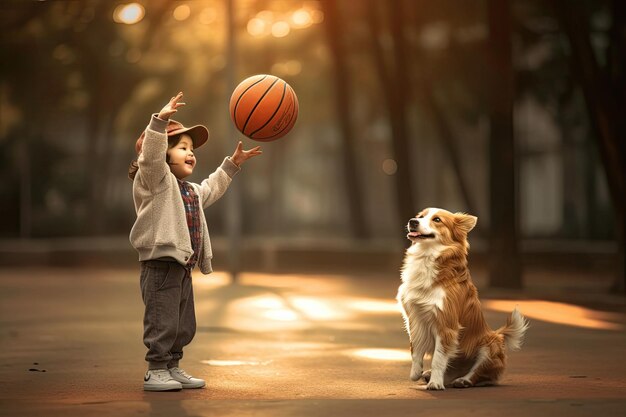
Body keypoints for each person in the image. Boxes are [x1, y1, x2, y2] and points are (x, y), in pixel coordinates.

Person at [128, 92, 261, 391]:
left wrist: (232, 164)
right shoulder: (154, 180)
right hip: (159, 265)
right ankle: (156, 370)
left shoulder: (189, 190)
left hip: (182, 267)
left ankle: (172, 366)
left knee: (182, 324)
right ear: (162, 153)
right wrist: (160, 122)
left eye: (191, 148)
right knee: (162, 321)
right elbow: (150, 155)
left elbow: (211, 188)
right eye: (182, 147)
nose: (191, 152)